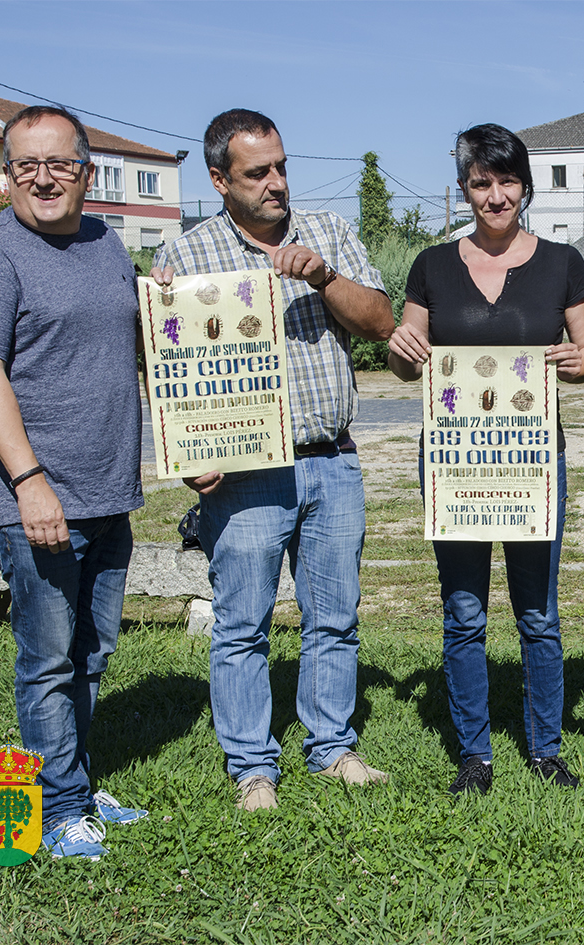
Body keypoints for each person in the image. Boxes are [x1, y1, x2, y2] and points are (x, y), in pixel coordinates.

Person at [153, 109, 394, 811]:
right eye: (257, 172)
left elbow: (381, 321)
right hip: (246, 472)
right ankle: (253, 766)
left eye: (282, 167)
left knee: (334, 617)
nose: (276, 183)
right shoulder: (188, 256)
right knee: (242, 623)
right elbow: (162, 362)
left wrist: (322, 277)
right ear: (219, 180)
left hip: (331, 458)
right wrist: (187, 453)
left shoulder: (327, 234)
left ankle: (331, 748)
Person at [0, 105, 148, 859]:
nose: (42, 178)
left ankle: (75, 784)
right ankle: (58, 812)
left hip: (107, 489)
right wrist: (29, 481)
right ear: (7, 174)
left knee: (91, 653)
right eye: (24, 165)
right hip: (37, 496)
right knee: (47, 657)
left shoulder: (105, 243)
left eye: (58, 163)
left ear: (87, 172)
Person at [388, 124, 584, 795]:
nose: (495, 196)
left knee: (539, 612)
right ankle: (475, 754)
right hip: (456, 462)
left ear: (524, 186)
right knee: (464, 611)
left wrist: (574, 360)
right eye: (481, 182)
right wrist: (401, 349)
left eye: (506, 182)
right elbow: (403, 357)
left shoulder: (563, 262)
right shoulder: (431, 265)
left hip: (533, 461)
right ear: (464, 188)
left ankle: (545, 747)